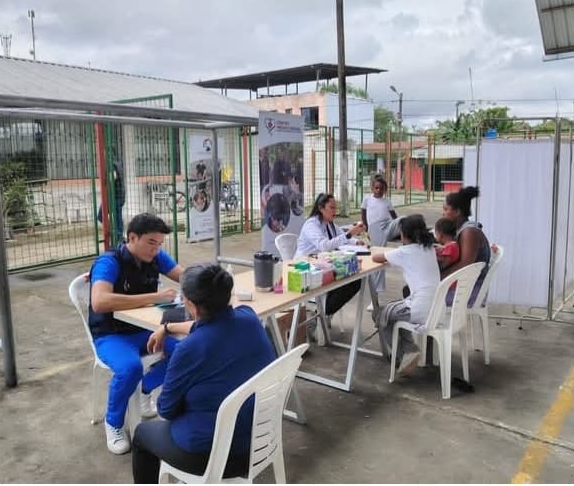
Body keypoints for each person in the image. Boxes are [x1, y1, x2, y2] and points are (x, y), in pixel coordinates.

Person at [131, 263, 276, 483]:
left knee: (142, 434)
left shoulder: (189, 349)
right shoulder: (249, 318)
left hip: (213, 455)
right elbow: (209, 326)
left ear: (191, 305)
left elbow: (166, 409)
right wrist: (168, 328)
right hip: (261, 439)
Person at [89, 213, 184, 455]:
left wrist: (209, 281)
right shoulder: (109, 262)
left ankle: (144, 389)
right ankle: (114, 422)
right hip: (111, 335)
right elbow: (99, 301)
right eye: (151, 242)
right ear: (132, 237)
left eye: (160, 244)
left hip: (145, 329)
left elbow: (185, 276)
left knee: (187, 351)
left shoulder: (156, 256)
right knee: (130, 368)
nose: (156, 249)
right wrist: (154, 297)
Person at [371, 215, 440, 376]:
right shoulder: (429, 248)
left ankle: (403, 355)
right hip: (436, 307)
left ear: (403, 235)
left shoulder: (404, 252)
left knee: (379, 313)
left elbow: (376, 257)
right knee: (392, 314)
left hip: (420, 309)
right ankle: (409, 351)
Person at [295, 193, 366, 317]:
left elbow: (341, 237)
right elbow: (324, 246)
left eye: (335, 207)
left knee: (354, 280)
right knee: (348, 281)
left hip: (323, 265)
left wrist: (356, 242)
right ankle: (321, 311)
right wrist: (349, 234)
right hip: (305, 267)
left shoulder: (329, 223)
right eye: (331, 208)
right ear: (321, 208)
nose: (335, 211)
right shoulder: (311, 224)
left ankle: (324, 311)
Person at [440, 186, 491, 306]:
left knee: (424, 297)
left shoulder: (469, 232)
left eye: (446, 209)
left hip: (470, 291)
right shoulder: (461, 230)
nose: (443, 213)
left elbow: (465, 265)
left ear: (457, 212)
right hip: (463, 286)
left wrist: (440, 277)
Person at [361, 174, 397, 293]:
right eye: (376, 188)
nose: (379, 190)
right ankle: (377, 288)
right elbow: (363, 212)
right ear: (372, 188)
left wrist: (398, 224)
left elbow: (394, 216)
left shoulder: (386, 201)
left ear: (385, 189)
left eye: (382, 188)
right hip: (375, 228)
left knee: (403, 221)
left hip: (386, 225)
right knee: (379, 255)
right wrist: (365, 226)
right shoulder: (367, 199)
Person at [97, 158, 126, 244]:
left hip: (114, 197)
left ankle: (118, 236)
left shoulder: (112, 165)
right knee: (116, 218)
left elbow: (112, 179)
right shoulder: (117, 163)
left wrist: (105, 181)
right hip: (117, 196)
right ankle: (116, 234)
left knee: (103, 216)